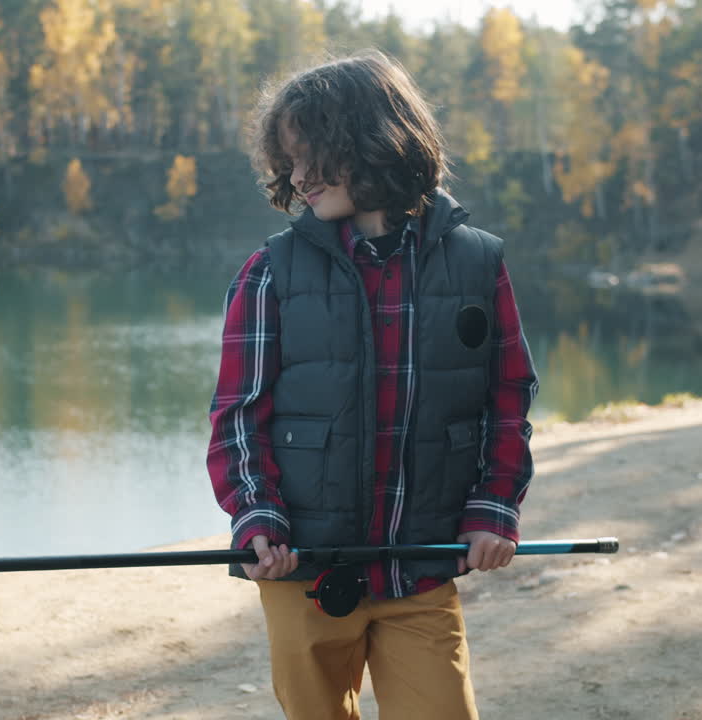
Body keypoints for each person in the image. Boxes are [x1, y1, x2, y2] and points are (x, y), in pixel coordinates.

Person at [206, 49, 538, 720]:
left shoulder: (478, 264)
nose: (297, 177)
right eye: (288, 162)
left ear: (370, 141)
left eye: (310, 155)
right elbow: (238, 415)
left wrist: (494, 507)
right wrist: (256, 515)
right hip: (306, 574)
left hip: (422, 569)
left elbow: (506, 400)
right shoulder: (271, 273)